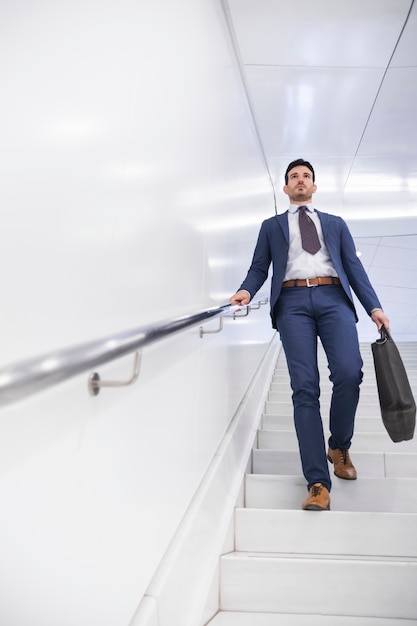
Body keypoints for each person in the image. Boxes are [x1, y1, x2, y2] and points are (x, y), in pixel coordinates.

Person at [230, 159, 390, 511]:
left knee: (350, 373)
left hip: (334, 298)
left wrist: (373, 308)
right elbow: (259, 267)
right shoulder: (271, 227)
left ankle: (339, 445)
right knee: (305, 388)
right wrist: (246, 291)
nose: (300, 180)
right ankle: (318, 481)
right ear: (285, 189)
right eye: (293, 177)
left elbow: (354, 267)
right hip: (292, 303)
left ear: (314, 187)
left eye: (306, 176)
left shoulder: (334, 224)